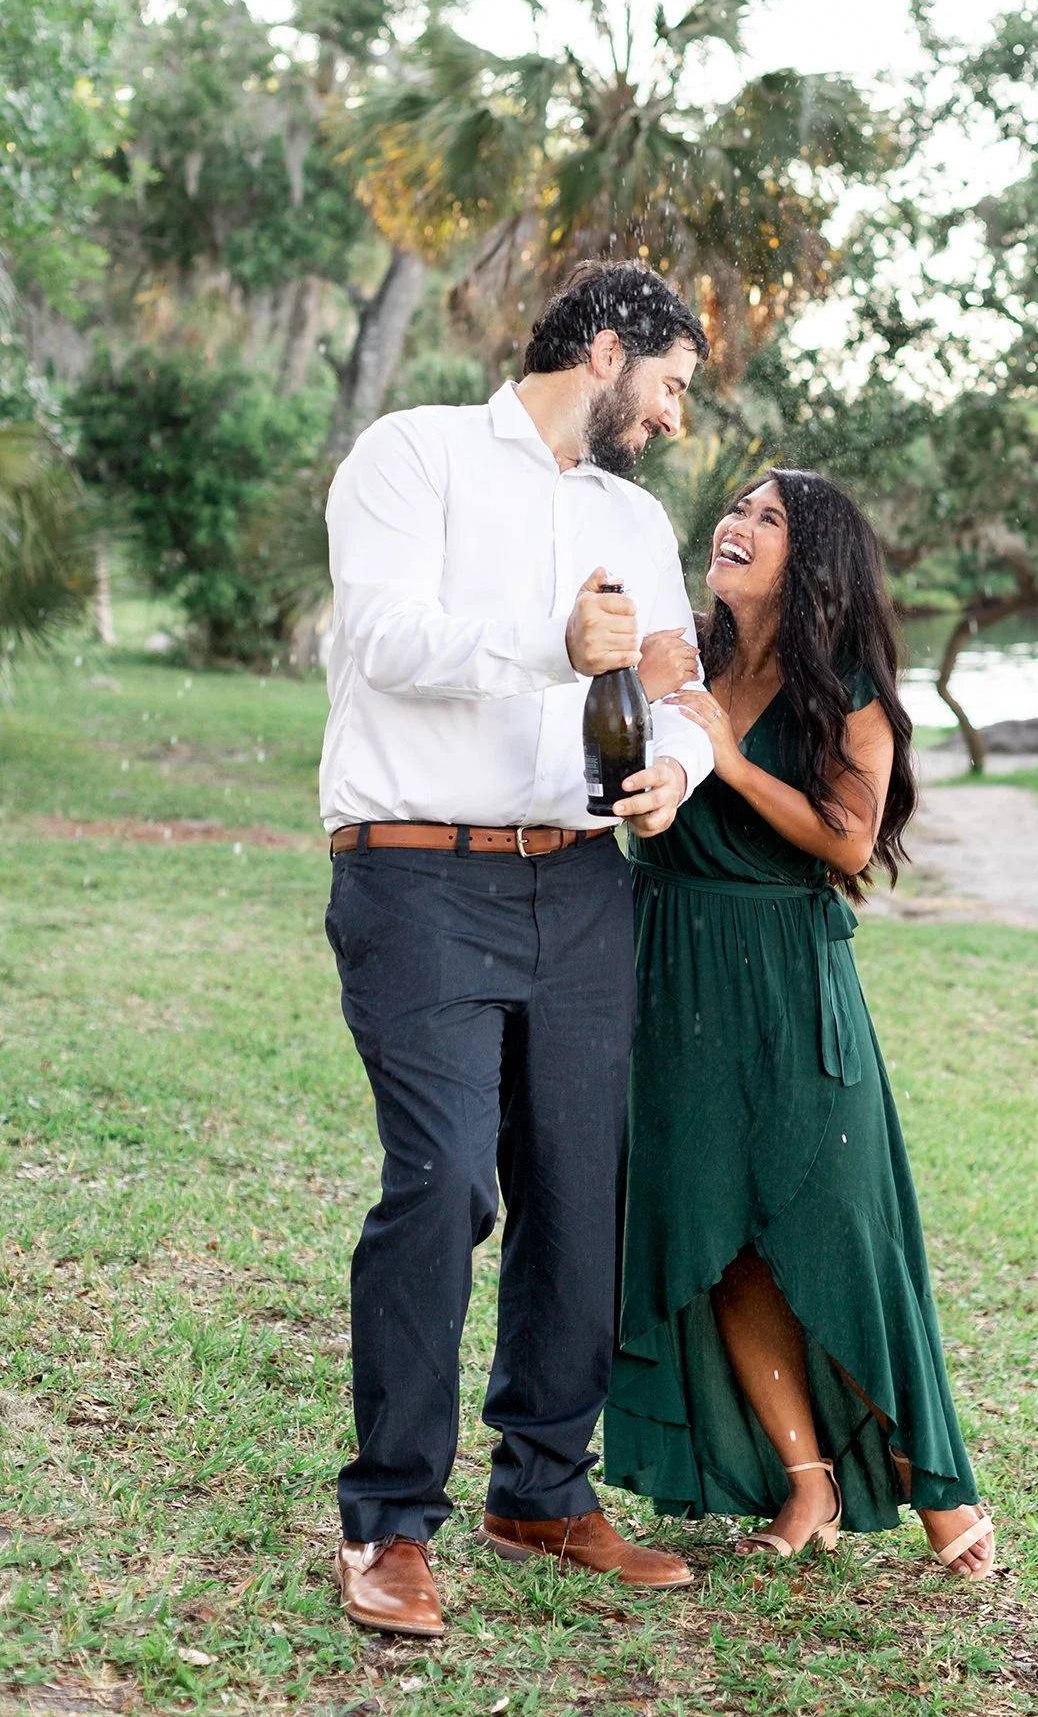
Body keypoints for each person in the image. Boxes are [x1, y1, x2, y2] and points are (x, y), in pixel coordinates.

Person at [320, 261, 716, 1638]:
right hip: (418, 875)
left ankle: (543, 1489)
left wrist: (677, 771)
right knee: (439, 1189)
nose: (671, 421)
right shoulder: (414, 454)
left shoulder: (636, 520)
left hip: (584, 885)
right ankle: (387, 1524)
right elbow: (380, 639)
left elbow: (686, 693)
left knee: (581, 1193)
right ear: (605, 351)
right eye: (666, 387)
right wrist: (552, 645)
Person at [605, 471, 995, 1575]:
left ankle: (937, 1492)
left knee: (839, 1235)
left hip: (785, 977)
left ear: (809, 556)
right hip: (668, 963)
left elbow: (846, 841)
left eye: (767, 519)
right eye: (736, 508)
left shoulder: (844, 686)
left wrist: (725, 760)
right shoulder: (677, 649)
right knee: (715, 1236)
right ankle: (805, 1485)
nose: (735, 525)